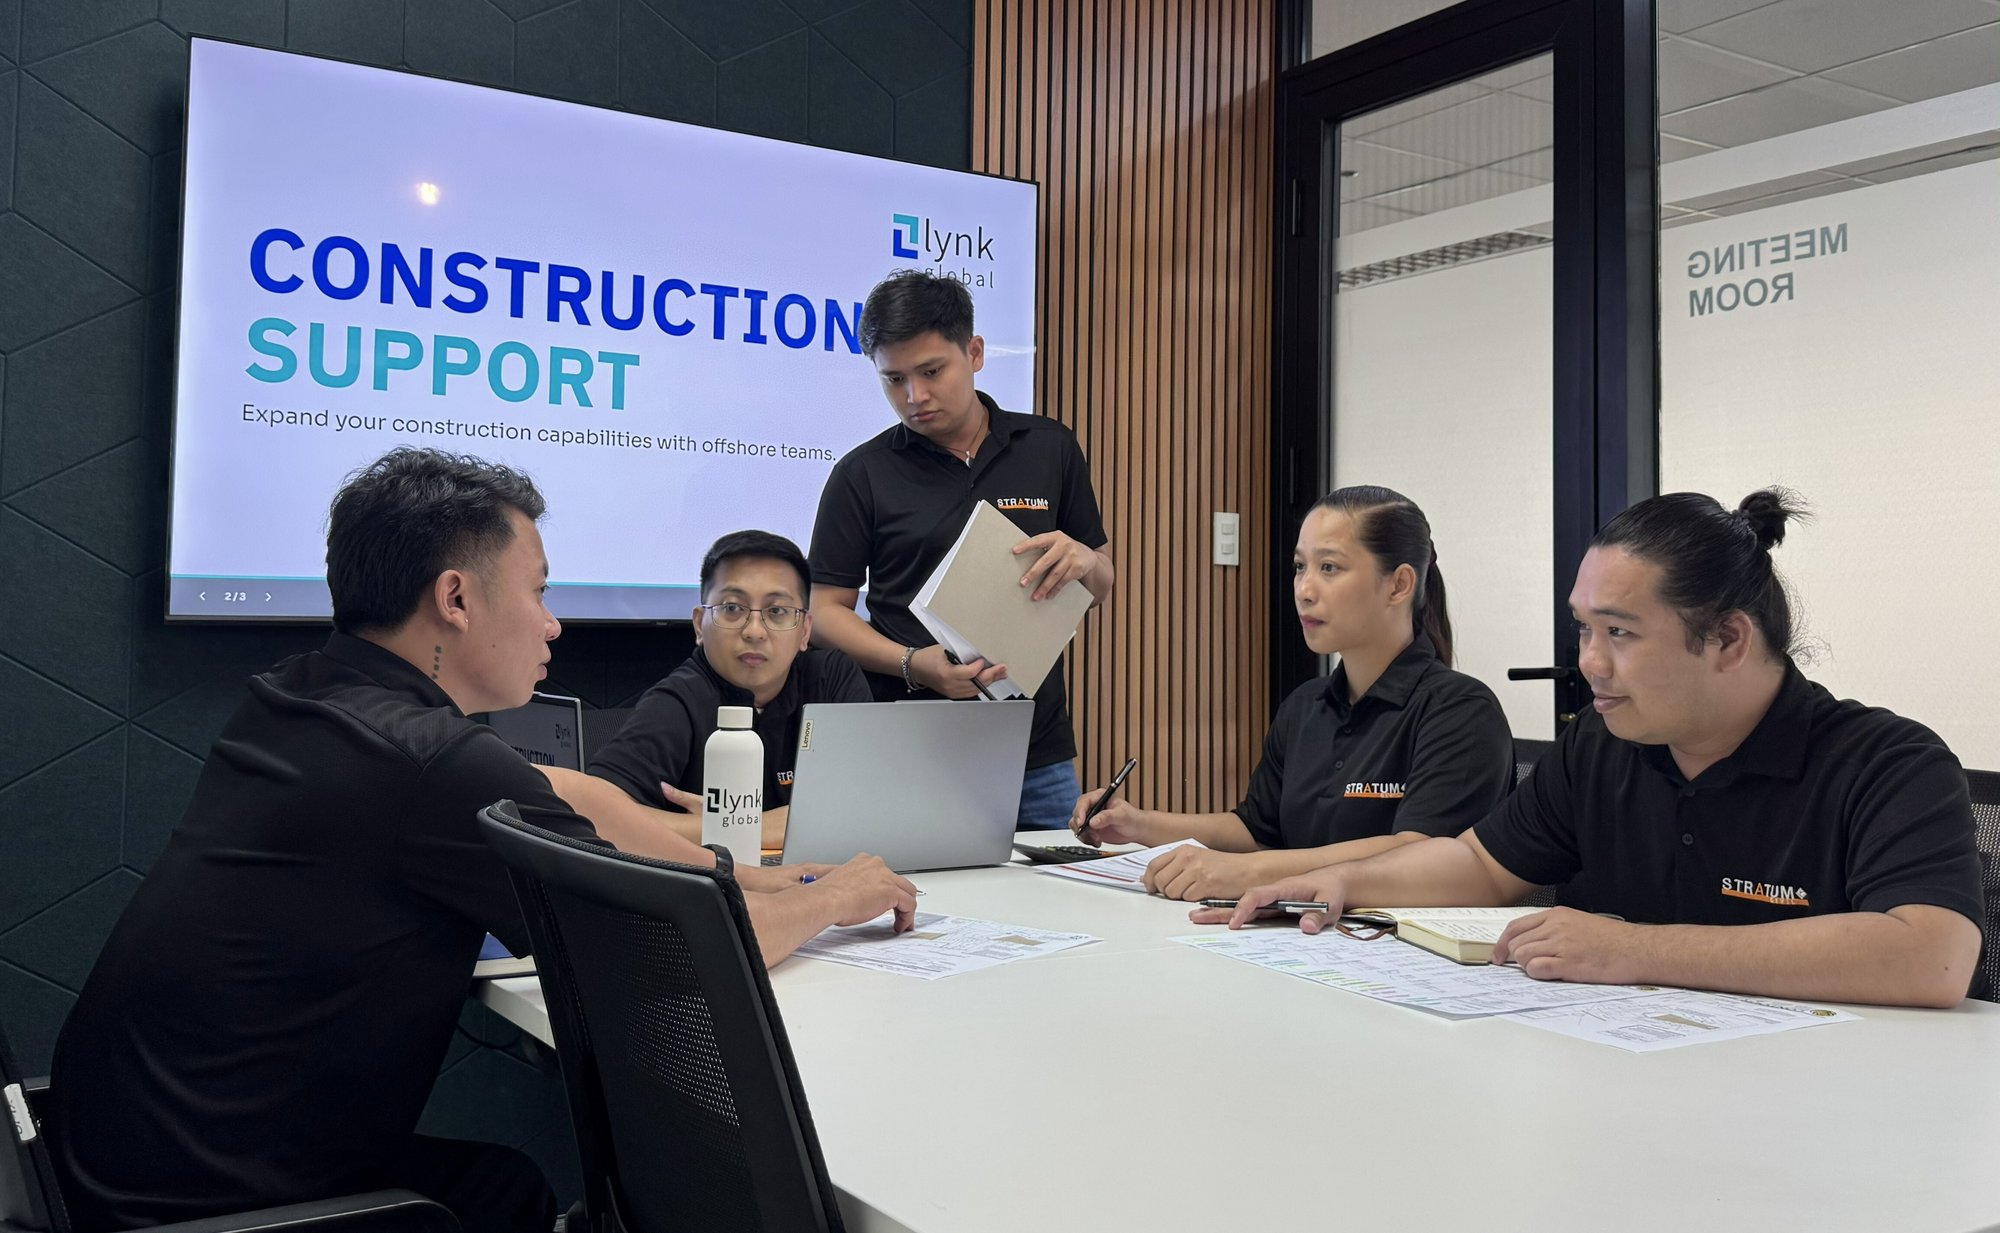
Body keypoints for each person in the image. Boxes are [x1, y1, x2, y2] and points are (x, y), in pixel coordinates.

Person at [47, 449, 916, 1233]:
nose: (553, 625)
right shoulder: (431, 763)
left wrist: (748, 876)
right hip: (208, 1201)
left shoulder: (312, 698)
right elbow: (689, 957)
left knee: (505, 1188)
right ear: (457, 598)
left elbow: (565, 791)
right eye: (538, 591)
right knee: (523, 1198)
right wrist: (834, 899)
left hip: (113, 1149)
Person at [1206, 489, 1984, 1009]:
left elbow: (1932, 956)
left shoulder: (1888, 764)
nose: (1589, 663)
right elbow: (1478, 863)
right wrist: (1337, 879)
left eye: (1620, 633)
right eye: (1584, 629)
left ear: (1727, 639)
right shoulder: (1603, 749)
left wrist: (1635, 949)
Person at [1072, 486, 1512, 901]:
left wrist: (1247, 873)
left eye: (1329, 568)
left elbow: (1418, 853)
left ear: (1398, 585)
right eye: (1300, 567)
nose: (1303, 589)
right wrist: (1140, 824)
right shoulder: (1305, 706)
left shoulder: (1461, 711)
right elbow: (1258, 830)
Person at [808, 270, 1115, 828]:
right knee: (917, 909)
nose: (914, 397)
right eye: (893, 379)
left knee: (1049, 907)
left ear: (973, 352)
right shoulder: (861, 474)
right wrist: (913, 665)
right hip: (912, 741)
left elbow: (1101, 585)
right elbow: (825, 612)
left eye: (931, 372)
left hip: (1033, 747)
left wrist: (1088, 562)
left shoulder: (1050, 448)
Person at [585, 530, 872, 849]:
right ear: (699, 625)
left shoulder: (831, 679)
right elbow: (591, 815)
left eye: (777, 611)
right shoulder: (677, 702)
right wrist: (735, 828)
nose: (754, 631)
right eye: (733, 609)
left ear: (805, 632)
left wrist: (723, 826)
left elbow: (870, 802)